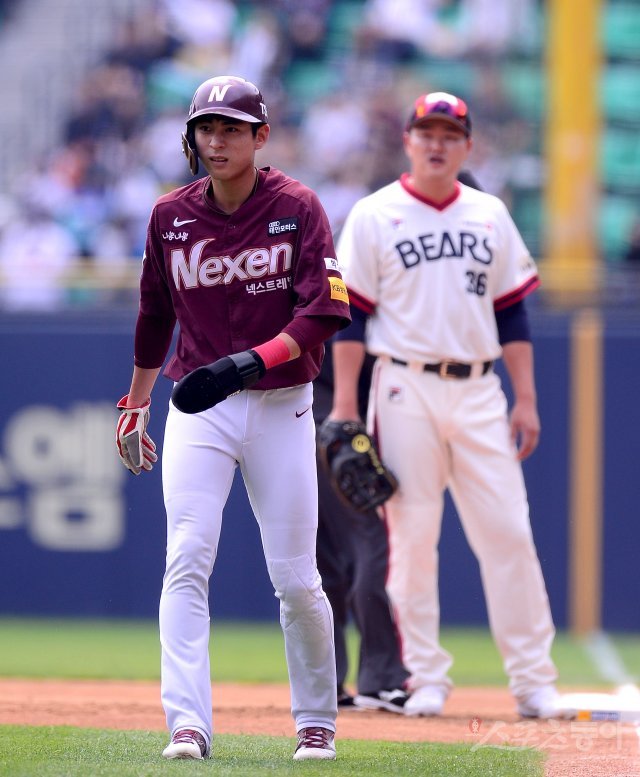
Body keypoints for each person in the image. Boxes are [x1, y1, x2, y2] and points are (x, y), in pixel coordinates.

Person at [115, 75, 351, 761]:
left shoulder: (298, 206)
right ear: (190, 137)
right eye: (205, 129)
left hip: (282, 404)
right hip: (200, 405)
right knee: (187, 555)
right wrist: (135, 400)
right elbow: (154, 314)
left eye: (231, 128)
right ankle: (187, 722)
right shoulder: (170, 215)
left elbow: (326, 310)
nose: (216, 141)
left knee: (295, 576)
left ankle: (316, 718)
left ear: (260, 136)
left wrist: (251, 361)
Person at [328, 91, 561, 719]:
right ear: (408, 140)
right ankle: (425, 677)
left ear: (467, 146)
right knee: (412, 537)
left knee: (509, 532)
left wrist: (527, 398)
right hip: (404, 384)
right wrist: (346, 403)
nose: (437, 143)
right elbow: (350, 319)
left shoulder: (489, 214)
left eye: (449, 134)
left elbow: (512, 311)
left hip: (482, 389)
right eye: (426, 131)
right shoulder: (375, 215)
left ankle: (534, 680)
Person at [314, 348, 410, 713]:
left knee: (324, 566)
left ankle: (325, 683)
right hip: (344, 428)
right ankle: (382, 677)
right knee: (369, 550)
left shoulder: (296, 292)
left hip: (297, 423)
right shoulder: (350, 295)